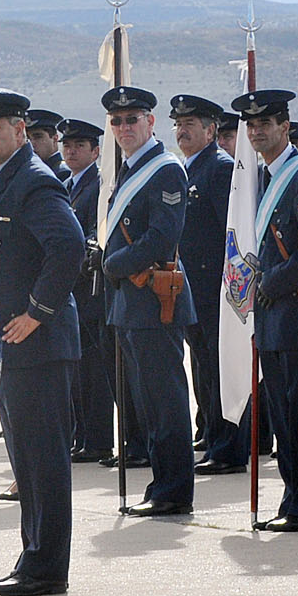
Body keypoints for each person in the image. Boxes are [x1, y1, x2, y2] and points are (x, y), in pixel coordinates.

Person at [0, 89, 84, 596]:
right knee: (28, 462)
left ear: (19, 130)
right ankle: (34, 558)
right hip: (12, 346)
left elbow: (69, 247)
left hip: (38, 345)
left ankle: (46, 566)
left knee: (44, 461)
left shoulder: (32, 181)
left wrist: (38, 312)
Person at [234, 89, 298, 531]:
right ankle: (294, 500)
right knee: (285, 416)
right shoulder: (260, 178)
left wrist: (272, 281)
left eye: (266, 123)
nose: (257, 131)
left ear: (285, 127)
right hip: (273, 317)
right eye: (252, 125)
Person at [100, 85, 196, 516]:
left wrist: (115, 263)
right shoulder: (129, 168)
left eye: (132, 119)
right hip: (131, 303)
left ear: (150, 122)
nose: (124, 127)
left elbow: (163, 235)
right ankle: (161, 484)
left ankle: (174, 491)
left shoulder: (164, 169)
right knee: (147, 402)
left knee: (165, 400)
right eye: (117, 121)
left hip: (156, 299)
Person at [169, 94, 242, 475]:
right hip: (192, 290)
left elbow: (231, 234)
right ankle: (213, 436)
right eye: (178, 125)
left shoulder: (219, 168)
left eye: (190, 125)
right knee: (203, 368)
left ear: (211, 131)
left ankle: (230, 447)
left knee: (220, 370)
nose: (182, 131)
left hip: (216, 290)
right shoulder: (189, 169)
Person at [60, 119, 115, 463]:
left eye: (79, 146)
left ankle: (97, 439)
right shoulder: (67, 184)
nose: (71, 151)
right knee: (79, 371)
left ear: (96, 152)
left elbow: (97, 232)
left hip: (91, 288)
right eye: (67, 145)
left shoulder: (99, 184)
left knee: (95, 371)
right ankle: (82, 436)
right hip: (74, 290)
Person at [26, 109, 70, 181]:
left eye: (38, 137)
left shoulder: (62, 173)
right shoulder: (30, 171)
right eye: (28, 138)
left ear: (55, 139)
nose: (32, 143)